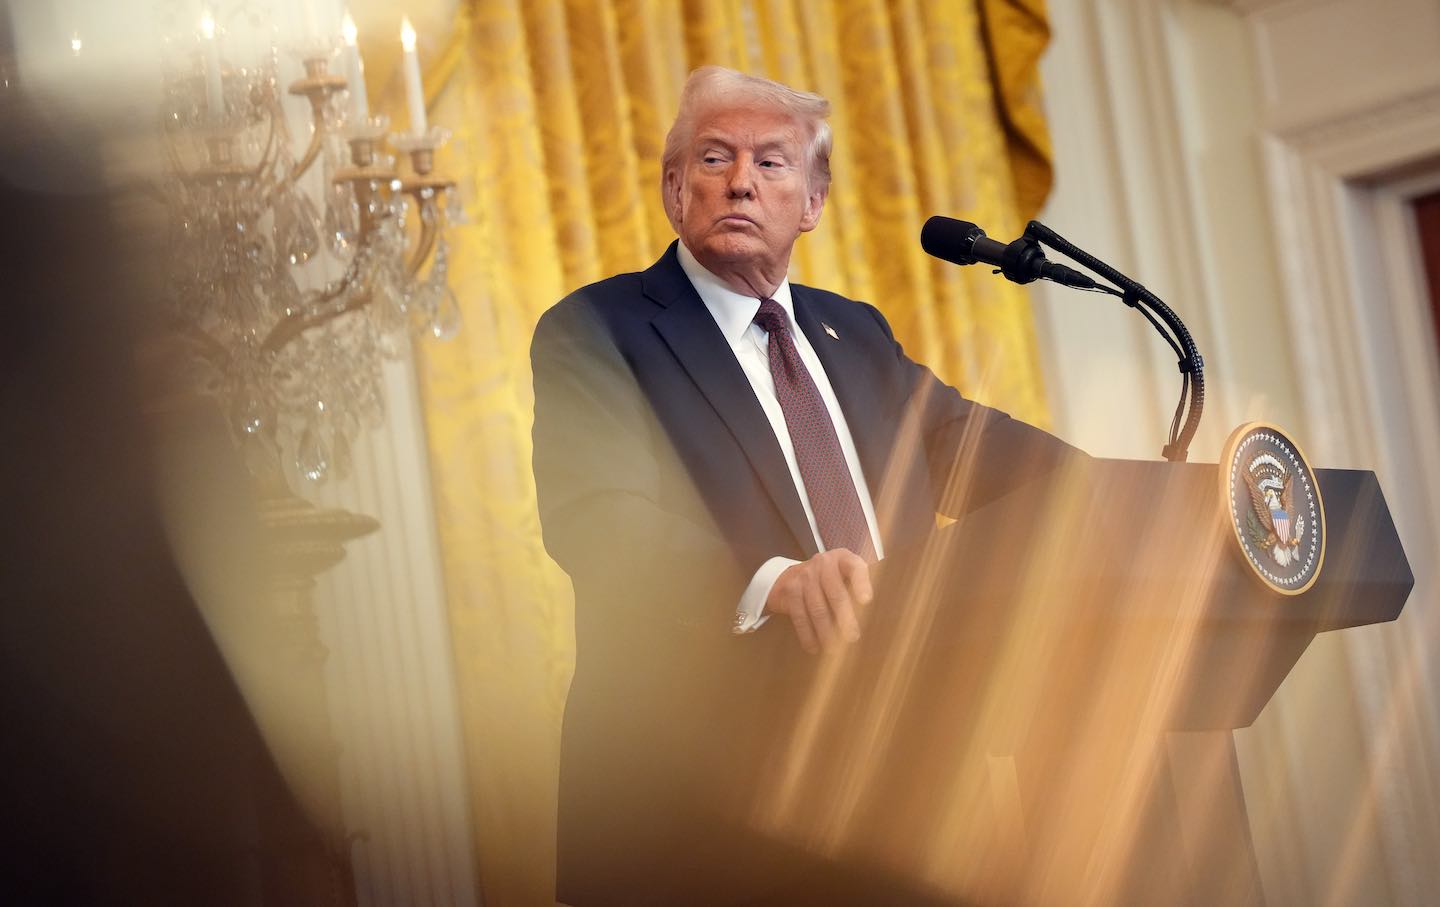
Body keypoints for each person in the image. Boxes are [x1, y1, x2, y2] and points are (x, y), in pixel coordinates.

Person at [531, 66, 1077, 906]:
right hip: (698, 809)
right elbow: (598, 520)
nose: (741, 179)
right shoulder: (598, 329)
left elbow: (977, 448)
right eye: (714, 157)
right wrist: (776, 581)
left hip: (901, 783)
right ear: (675, 190)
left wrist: (1138, 495)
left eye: (772, 162)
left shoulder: (854, 333)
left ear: (813, 202)